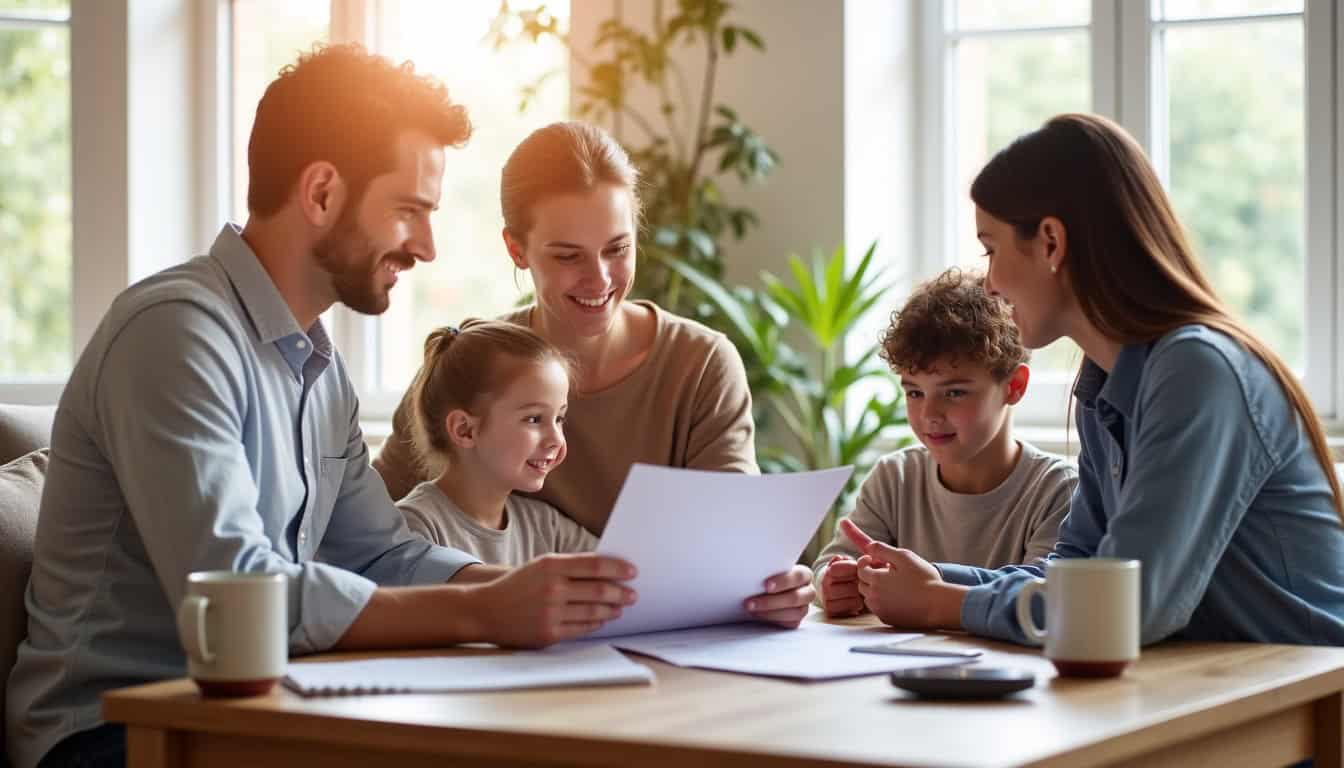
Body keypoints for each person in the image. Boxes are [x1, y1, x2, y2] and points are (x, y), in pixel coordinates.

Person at [7, 45, 637, 768]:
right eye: (409, 211)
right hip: (111, 731)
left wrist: (542, 594)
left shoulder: (317, 365)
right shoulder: (175, 333)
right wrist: (483, 609)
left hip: (256, 711)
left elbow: (378, 552)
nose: (427, 246)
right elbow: (236, 593)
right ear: (322, 193)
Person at [845, 113, 1344, 647]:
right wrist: (935, 580)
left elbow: (1128, 608)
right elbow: (1077, 570)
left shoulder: (1197, 369)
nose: (988, 284)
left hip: (1308, 684)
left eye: (991, 250)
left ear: (1051, 242)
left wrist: (942, 602)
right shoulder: (1104, 381)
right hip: (1213, 678)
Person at [374, 121, 816, 624]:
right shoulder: (471, 365)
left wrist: (772, 589)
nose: (599, 279)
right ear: (517, 250)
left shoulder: (701, 364)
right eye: (568, 256)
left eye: (617, 249)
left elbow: (732, 550)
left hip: (664, 650)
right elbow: (365, 538)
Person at [813, 268, 1076, 618]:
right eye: (914, 393)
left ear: (1014, 386)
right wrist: (833, 583)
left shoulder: (1057, 491)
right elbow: (830, 564)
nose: (929, 414)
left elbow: (1041, 600)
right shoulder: (894, 478)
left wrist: (929, 592)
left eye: (954, 393)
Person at [396, 320, 598, 564]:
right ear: (465, 430)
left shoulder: (546, 527)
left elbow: (623, 572)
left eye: (559, 418)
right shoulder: (413, 528)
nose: (556, 439)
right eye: (534, 419)